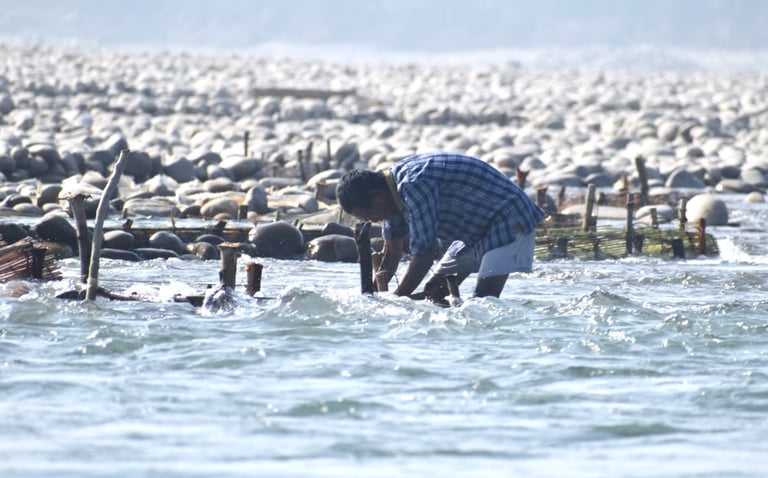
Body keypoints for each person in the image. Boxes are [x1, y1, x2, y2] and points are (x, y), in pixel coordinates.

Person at [335, 152, 545, 299]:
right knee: (435, 290)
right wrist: (373, 295)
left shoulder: (413, 185)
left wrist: (398, 299)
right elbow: (392, 251)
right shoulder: (391, 196)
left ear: (376, 196)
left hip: (509, 219)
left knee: (484, 300)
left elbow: (423, 256)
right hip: (474, 232)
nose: (373, 220)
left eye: (369, 214)